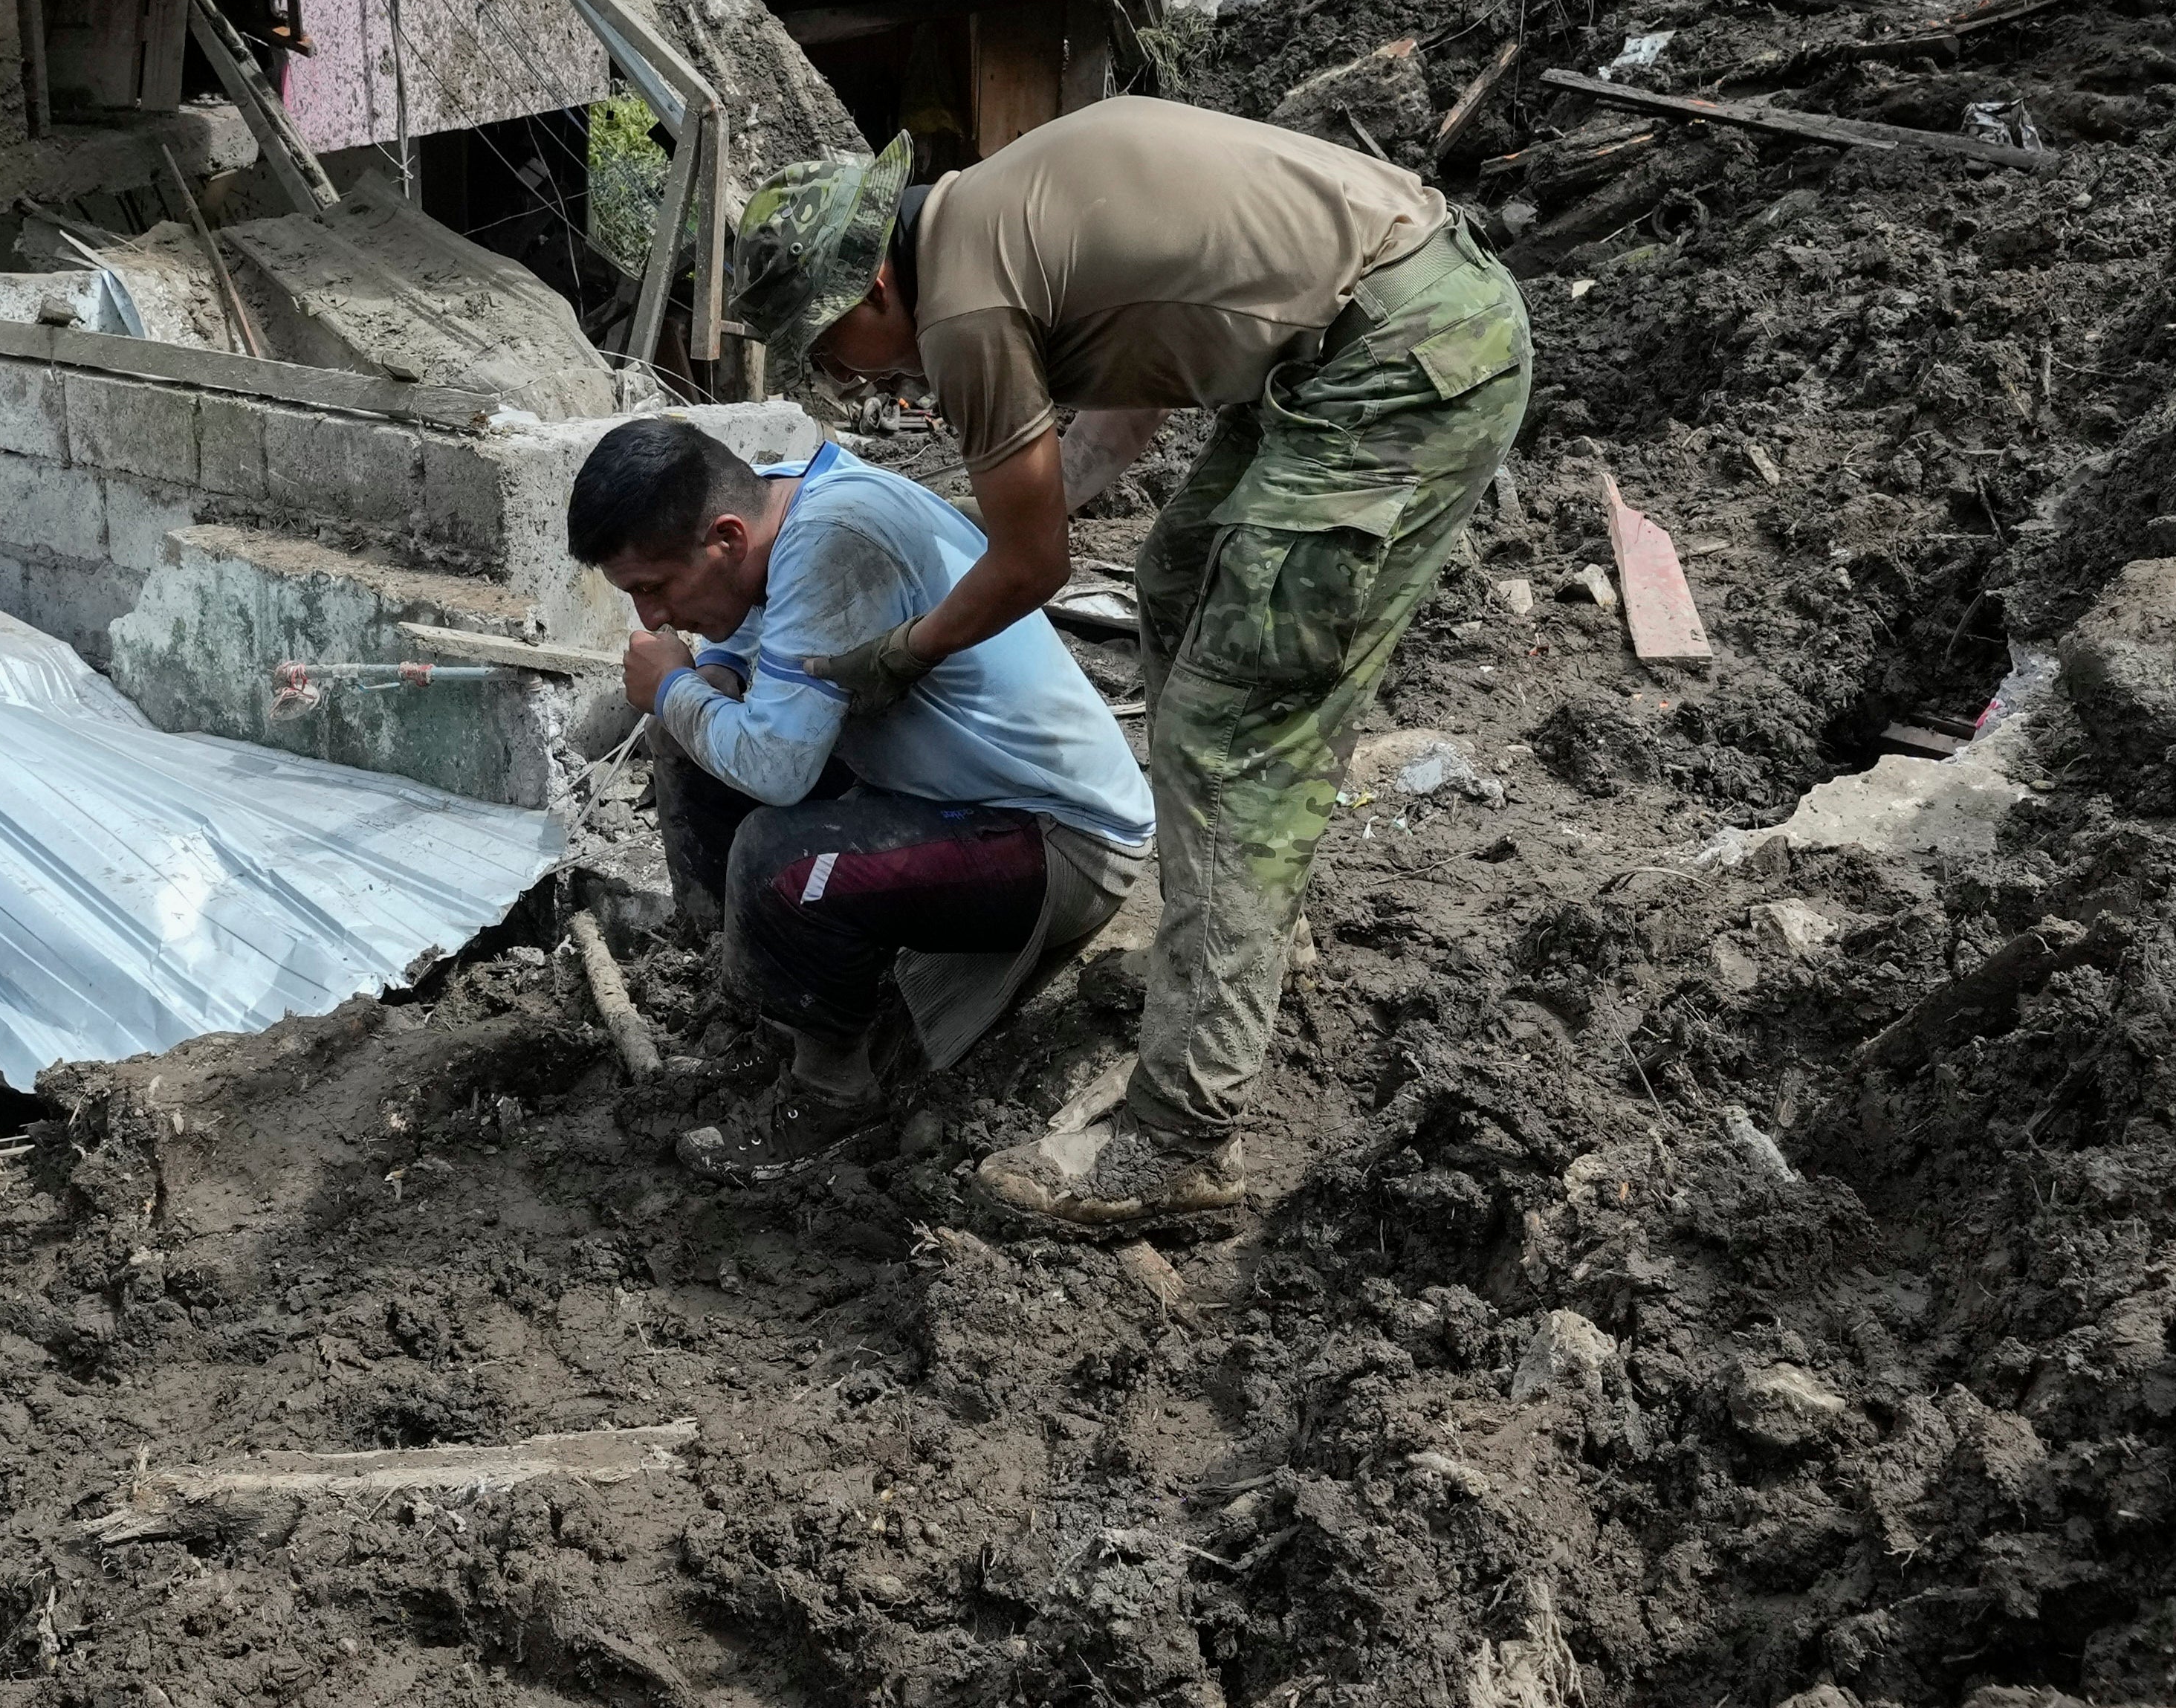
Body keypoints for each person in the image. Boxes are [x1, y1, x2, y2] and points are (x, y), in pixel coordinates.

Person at [733, 101, 1530, 1226]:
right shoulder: (1005, 210)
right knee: (1178, 582)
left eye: (829, 353)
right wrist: (974, 538)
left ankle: (1182, 1141)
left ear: (870, 284)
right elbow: (1127, 410)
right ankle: (1248, 936)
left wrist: (901, 651)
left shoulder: (966, 306)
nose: (849, 382)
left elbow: (1033, 565)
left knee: (1230, 737)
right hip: (1362, 329)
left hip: (1398, 364)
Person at [563, 418, 1150, 1165]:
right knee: (688, 738)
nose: (651, 618)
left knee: (776, 859)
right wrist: (708, 682)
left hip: (1059, 838)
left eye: (653, 589)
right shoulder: (783, 499)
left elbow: (777, 770)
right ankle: (755, 1008)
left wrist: (675, 683)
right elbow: (768, 659)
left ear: (726, 540)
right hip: (952, 798)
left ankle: (831, 1092)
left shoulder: (831, 536)